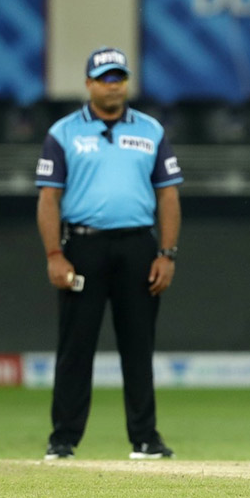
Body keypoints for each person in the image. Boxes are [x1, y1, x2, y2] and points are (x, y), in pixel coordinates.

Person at [35, 46, 183, 460]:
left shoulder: (151, 131)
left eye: (119, 77)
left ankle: (145, 439)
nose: (112, 86)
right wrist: (54, 253)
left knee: (138, 345)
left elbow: (168, 195)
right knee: (75, 346)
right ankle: (63, 439)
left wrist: (167, 253)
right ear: (88, 84)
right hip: (83, 246)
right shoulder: (64, 132)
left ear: (127, 83)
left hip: (138, 246)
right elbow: (48, 198)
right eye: (104, 78)